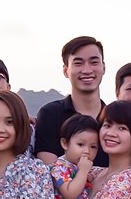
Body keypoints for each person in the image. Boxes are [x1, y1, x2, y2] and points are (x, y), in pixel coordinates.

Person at [32, 36, 107, 165]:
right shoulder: (50, 114)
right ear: (65, 70)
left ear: (104, 67)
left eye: (94, 62)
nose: (87, 70)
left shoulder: (114, 119)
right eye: (78, 63)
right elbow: (49, 171)